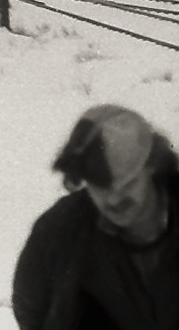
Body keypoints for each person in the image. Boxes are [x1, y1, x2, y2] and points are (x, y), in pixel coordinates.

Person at [13, 104, 178, 329]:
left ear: (152, 166)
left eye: (128, 184)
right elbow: (30, 308)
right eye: (101, 188)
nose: (113, 200)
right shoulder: (58, 232)